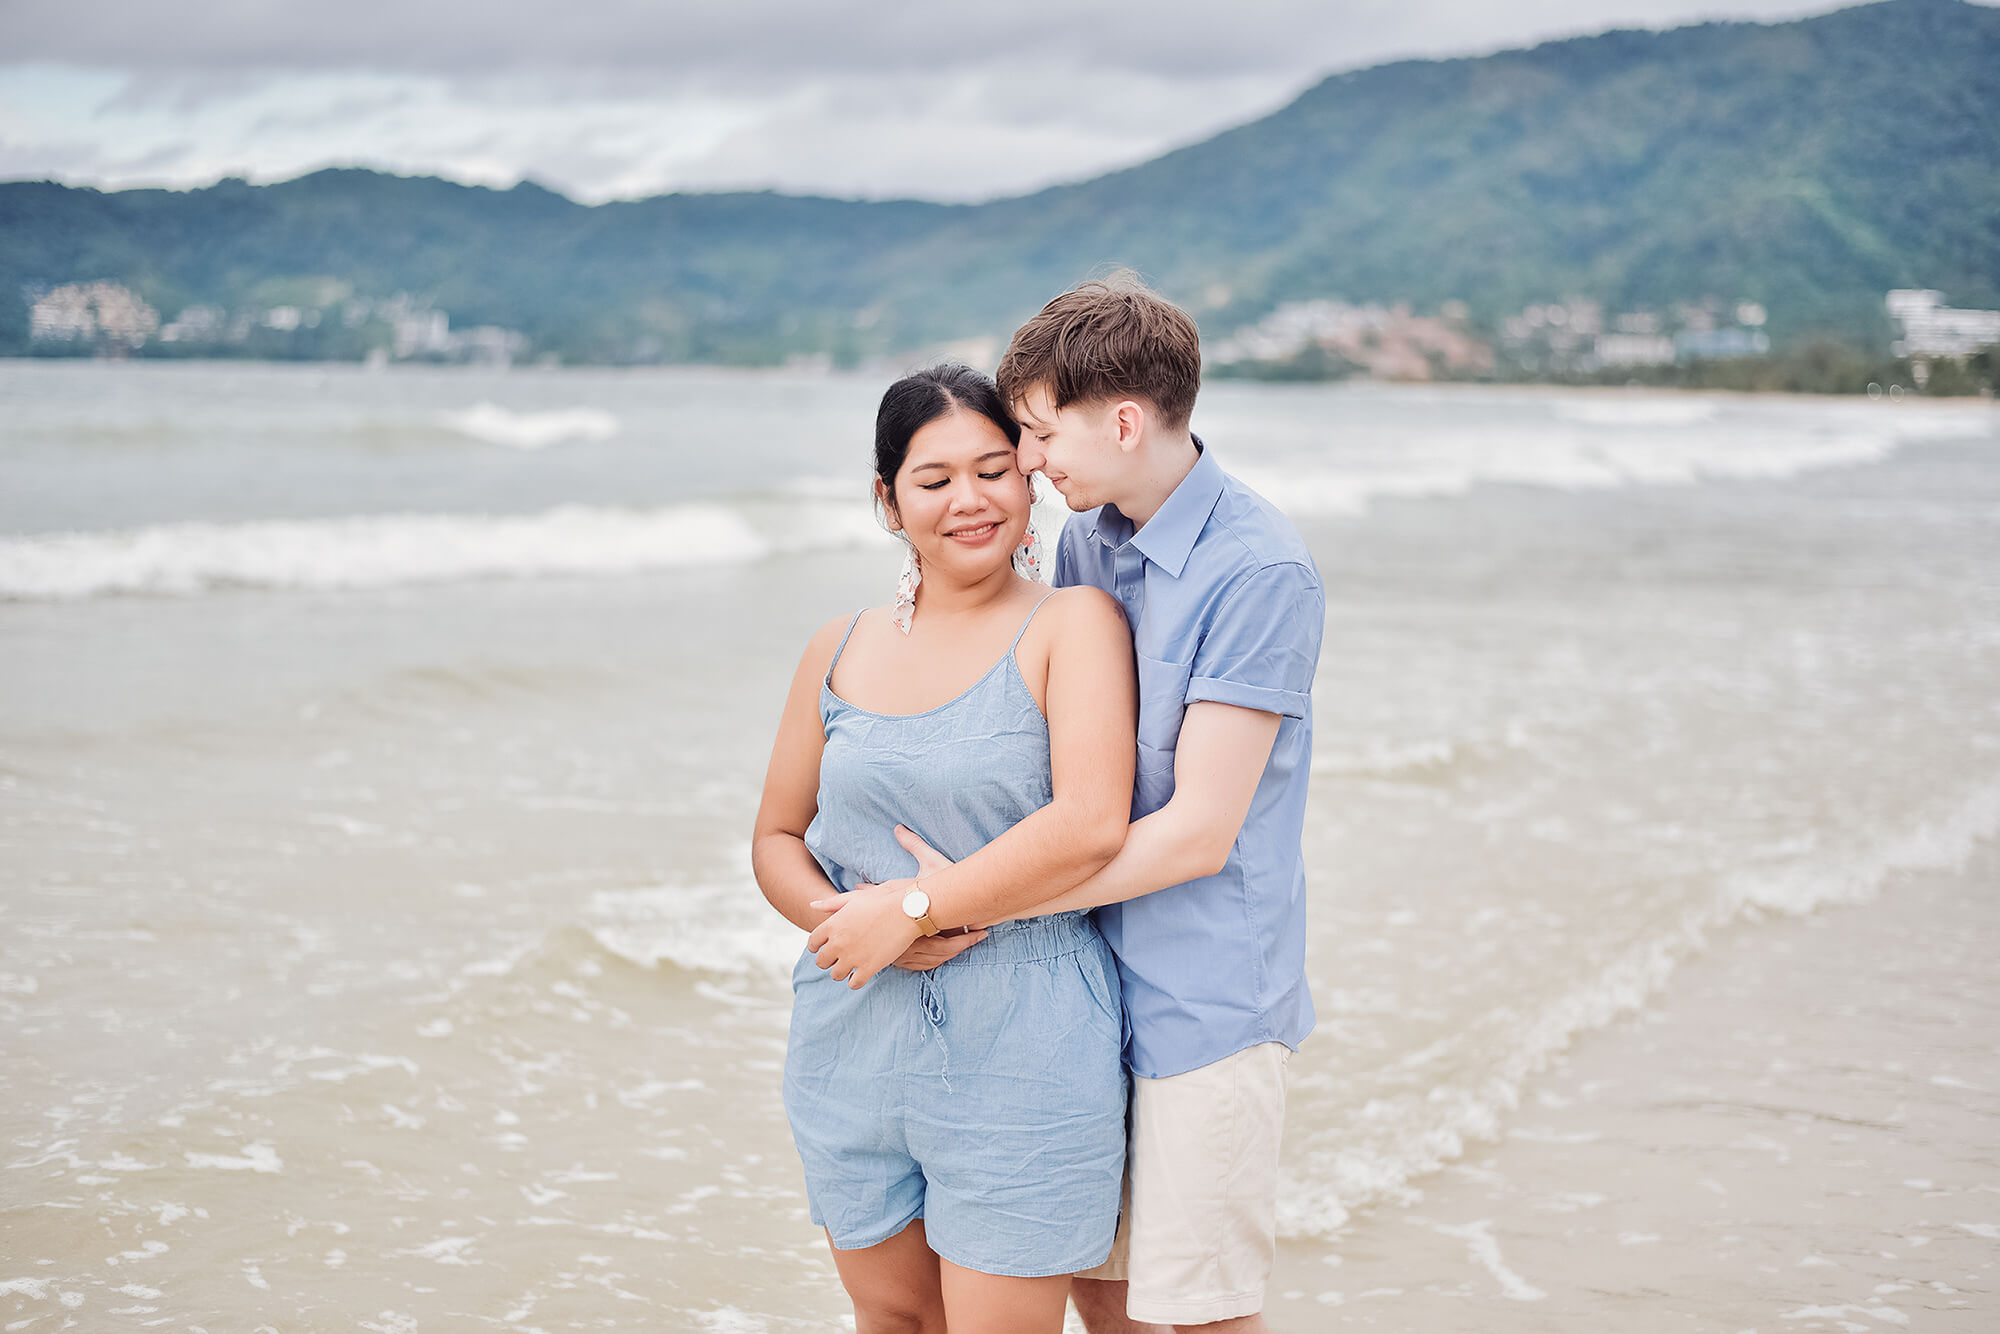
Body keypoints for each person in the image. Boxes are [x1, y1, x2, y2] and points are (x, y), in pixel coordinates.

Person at [806, 276, 1325, 1334]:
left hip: (1202, 998)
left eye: (1037, 435)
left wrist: (940, 903)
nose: (1030, 463)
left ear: (1124, 420)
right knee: (1105, 1295)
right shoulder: (1092, 540)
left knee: (1204, 1311)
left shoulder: (1259, 570)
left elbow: (1195, 831)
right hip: (1085, 996)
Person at [751, 364, 1140, 1334]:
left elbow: (1091, 820)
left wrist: (917, 906)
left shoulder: (1071, 623)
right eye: (932, 479)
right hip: (850, 1023)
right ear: (887, 500)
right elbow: (775, 836)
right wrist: (847, 919)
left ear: (1028, 483)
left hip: (1028, 1028)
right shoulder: (833, 646)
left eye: (993, 469)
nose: (968, 499)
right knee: (891, 1319)